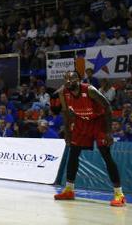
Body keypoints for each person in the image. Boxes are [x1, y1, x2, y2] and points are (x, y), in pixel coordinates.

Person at [54, 71, 125, 206]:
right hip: (81, 122)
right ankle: (69, 190)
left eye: (72, 78)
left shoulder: (90, 90)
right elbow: (65, 112)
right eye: (66, 79)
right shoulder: (63, 93)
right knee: (73, 153)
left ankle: (119, 194)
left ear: (79, 80)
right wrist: (68, 132)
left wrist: (109, 132)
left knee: (106, 154)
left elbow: (107, 107)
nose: (69, 81)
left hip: (98, 122)